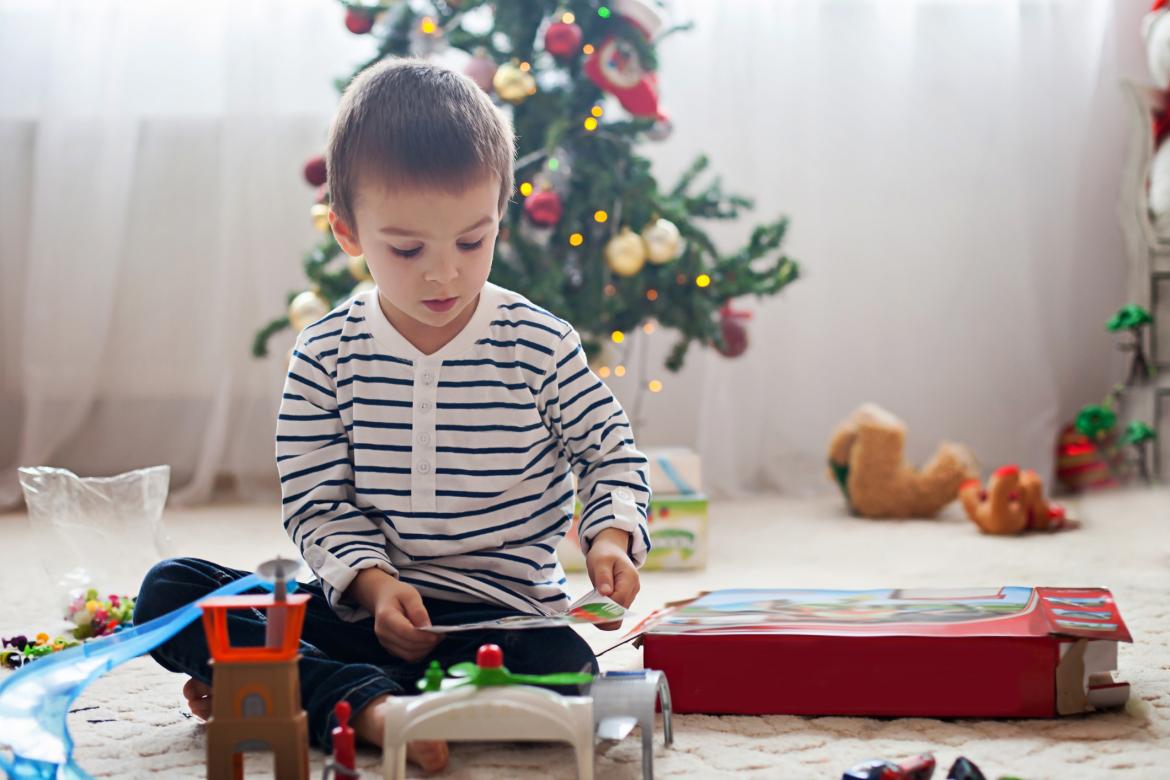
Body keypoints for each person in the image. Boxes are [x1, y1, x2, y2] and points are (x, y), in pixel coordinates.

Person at [136, 58, 651, 773]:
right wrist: (376, 587)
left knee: (569, 670)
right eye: (407, 249)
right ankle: (367, 702)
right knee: (170, 592)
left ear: (500, 212)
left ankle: (291, 693)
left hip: (501, 621)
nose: (444, 272)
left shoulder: (538, 343)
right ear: (348, 233)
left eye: (473, 241)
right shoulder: (325, 353)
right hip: (359, 613)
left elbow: (610, 454)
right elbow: (316, 503)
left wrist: (612, 536)